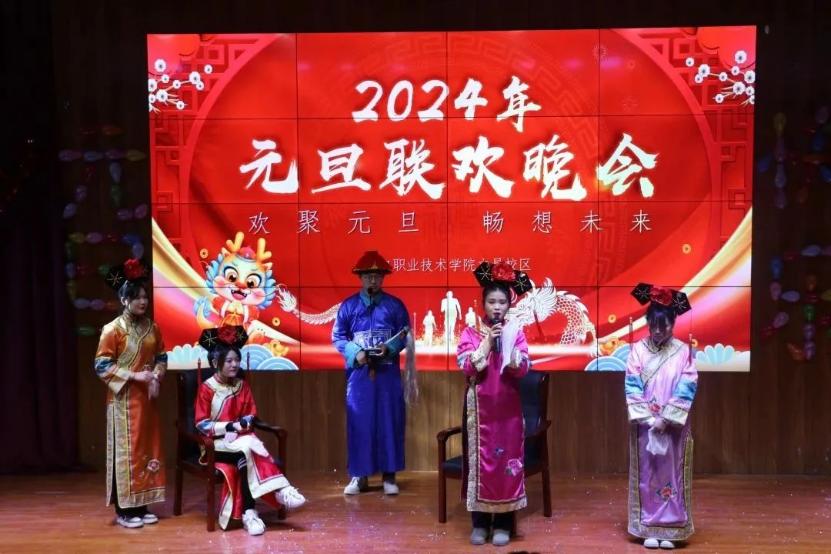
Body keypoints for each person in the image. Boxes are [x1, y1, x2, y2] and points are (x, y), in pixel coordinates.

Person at [195, 325, 306, 535]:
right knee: (248, 448)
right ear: (216, 363)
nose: (234, 364)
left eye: (236, 360)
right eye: (229, 361)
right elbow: (201, 423)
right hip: (214, 444)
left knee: (244, 456)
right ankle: (280, 490)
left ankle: (249, 512)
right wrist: (229, 426)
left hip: (240, 440)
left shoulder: (242, 385)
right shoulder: (207, 388)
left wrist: (243, 424)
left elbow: (250, 413)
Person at [457, 261, 533, 547]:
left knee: (507, 465)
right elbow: (467, 367)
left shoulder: (516, 331)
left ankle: (504, 523)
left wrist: (513, 357)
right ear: (483, 304)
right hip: (480, 412)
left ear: (508, 305)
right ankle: (479, 522)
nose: (497, 307)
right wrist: (488, 343)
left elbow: (523, 368)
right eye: (492, 302)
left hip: (508, 410)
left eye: (502, 302)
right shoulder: (470, 333)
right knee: (481, 465)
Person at [332, 251, 416, 496]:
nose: (373, 280)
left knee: (390, 421)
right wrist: (355, 351)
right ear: (360, 278)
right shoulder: (348, 306)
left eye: (377, 276)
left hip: (387, 374)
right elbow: (338, 336)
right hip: (359, 376)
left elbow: (405, 334)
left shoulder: (395, 305)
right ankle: (360, 476)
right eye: (368, 276)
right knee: (360, 422)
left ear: (383, 278)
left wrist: (390, 348)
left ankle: (390, 475)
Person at [94, 258, 167, 529]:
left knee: (147, 450)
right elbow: (101, 365)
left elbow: (162, 356)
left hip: (146, 400)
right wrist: (134, 376)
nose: (143, 301)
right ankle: (125, 510)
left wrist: (157, 375)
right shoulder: (112, 330)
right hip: (123, 401)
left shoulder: (152, 327)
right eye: (136, 297)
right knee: (128, 453)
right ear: (124, 300)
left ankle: (143, 505)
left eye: (145, 297)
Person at [625, 283, 697, 549]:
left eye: (663, 326)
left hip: (673, 426)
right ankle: (648, 526)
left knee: (672, 472)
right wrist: (648, 419)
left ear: (673, 323)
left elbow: (688, 384)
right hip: (645, 425)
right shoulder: (638, 350)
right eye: (653, 326)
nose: (657, 331)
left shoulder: (683, 351)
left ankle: (672, 527)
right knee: (648, 472)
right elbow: (632, 384)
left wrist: (666, 419)